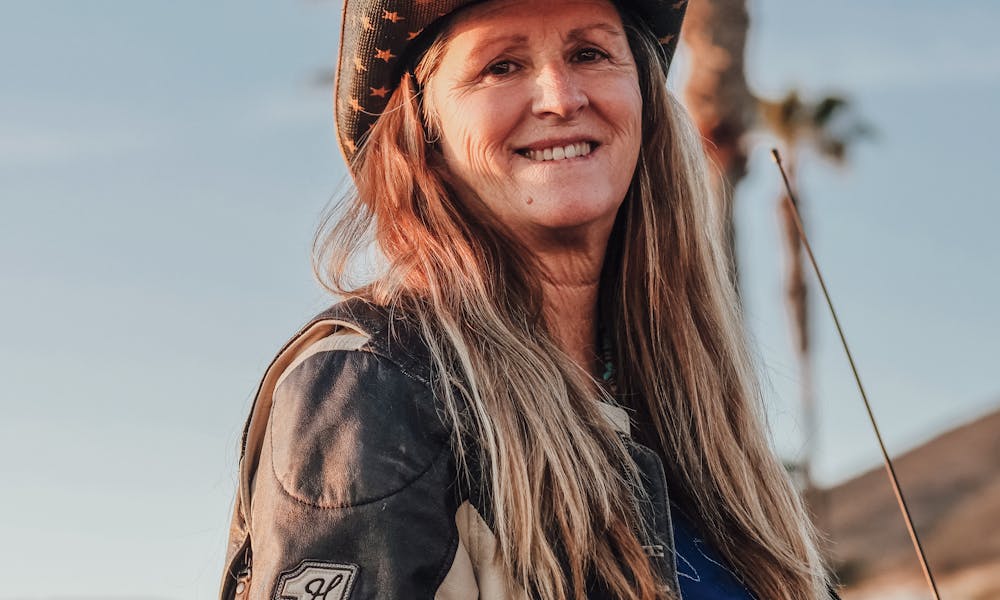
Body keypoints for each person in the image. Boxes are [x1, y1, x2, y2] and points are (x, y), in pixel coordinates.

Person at [220, 1, 839, 599]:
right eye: (501, 66)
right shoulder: (370, 389)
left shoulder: (689, 417)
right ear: (424, 128)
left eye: (590, 53)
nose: (561, 98)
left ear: (645, 97)